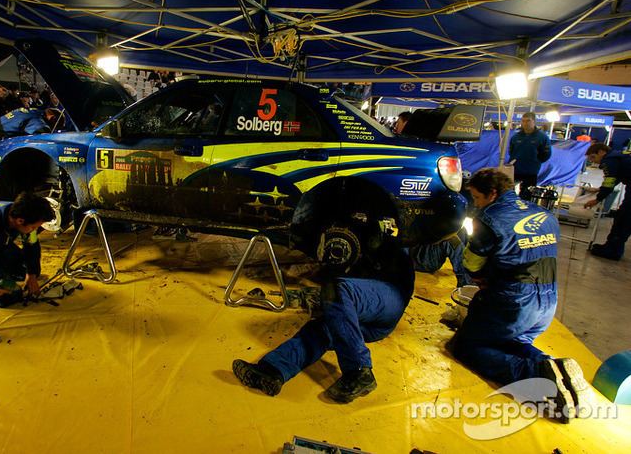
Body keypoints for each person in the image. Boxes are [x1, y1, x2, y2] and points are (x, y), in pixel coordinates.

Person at [448, 169, 590, 422]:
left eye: (478, 198)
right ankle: (554, 367)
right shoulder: (545, 215)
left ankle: (534, 371)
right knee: (512, 342)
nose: (476, 204)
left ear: (492, 193)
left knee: (466, 346)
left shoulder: (489, 219)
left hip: (513, 302)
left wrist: (484, 282)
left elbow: (471, 265)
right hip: (547, 302)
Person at [232, 231, 414, 403]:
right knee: (321, 328)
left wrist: (377, 241)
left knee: (338, 290)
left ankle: (359, 370)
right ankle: (273, 371)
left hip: (390, 295)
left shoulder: (383, 230)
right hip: (366, 318)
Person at [0, 107, 59, 210]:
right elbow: (42, 133)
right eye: (55, 124)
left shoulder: (32, 111)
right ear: (52, 117)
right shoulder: (35, 119)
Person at [583, 143, 631, 260]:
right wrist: (600, 189)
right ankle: (612, 247)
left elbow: (609, 183)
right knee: (623, 217)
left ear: (601, 152)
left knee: (624, 219)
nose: (594, 162)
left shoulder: (609, 160)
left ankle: (613, 251)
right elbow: (617, 178)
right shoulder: (619, 156)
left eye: (593, 157)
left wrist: (597, 199)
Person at [508, 112, 552, 201]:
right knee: (510, 195)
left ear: (534, 121)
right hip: (515, 170)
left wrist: (535, 161)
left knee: (526, 196)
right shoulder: (516, 137)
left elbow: (546, 154)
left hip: (531, 172)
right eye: (523, 121)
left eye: (528, 121)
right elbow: (511, 151)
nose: (525, 123)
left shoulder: (542, 137)